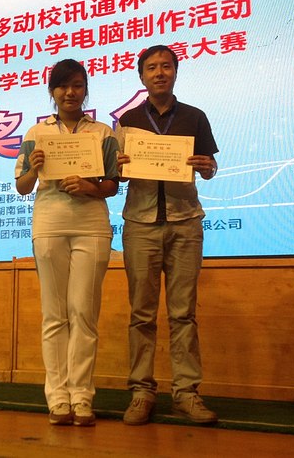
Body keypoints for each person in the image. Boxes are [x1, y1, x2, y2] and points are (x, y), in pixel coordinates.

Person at [116, 45, 219, 425]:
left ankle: (186, 394)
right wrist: (118, 166)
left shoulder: (194, 116)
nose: (159, 73)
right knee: (141, 314)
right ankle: (141, 392)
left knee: (183, 314)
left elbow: (210, 166)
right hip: (140, 223)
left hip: (185, 221)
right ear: (141, 76)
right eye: (151, 68)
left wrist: (207, 166)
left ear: (176, 71)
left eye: (165, 66)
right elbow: (115, 175)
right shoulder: (128, 120)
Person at [14, 59, 119, 426]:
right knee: (54, 314)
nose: (70, 92)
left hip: (92, 225)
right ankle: (58, 398)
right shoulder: (36, 132)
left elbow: (112, 184)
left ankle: (82, 397)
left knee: (83, 313)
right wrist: (33, 167)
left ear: (85, 90)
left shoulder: (102, 133)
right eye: (62, 86)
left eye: (77, 85)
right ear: (52, 91)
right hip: (49, 225)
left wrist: (91, 187)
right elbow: (22, 186)